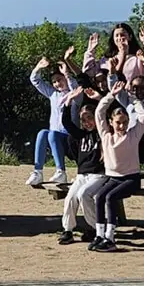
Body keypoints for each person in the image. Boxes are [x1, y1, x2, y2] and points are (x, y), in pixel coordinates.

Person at [89, 90, 144, 251]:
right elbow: (99, 112)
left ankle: (110, 238)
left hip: (131, 179)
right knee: (99, 196)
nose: (122, 126)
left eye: (125, 122)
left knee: (110, 197)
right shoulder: (106, 136)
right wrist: (111, 95)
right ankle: (100, 234)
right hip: (113, 178)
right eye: (118, 122)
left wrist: (135, 100)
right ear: (111, 122)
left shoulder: (133, 135)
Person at [59, 96, 106, 245]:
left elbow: (105, 113)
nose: (87, 122)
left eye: (90, 118)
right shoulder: (81, 135)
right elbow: (66, 122)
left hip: (99, 175)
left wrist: (99, 99)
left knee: (84, 194)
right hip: (82, 175)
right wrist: (69, 101)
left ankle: (97, 229)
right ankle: (67, 230)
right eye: (83, 120)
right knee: (70, 198)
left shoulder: (102, 133)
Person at [28, 57, 72, 187]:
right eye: (54, 82)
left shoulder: (74, 93)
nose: (57, 84)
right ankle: (38, 171)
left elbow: (75, 85)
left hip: (69, 137)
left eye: (59, 80)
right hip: (55, 136)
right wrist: (38, 67)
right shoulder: (53, 94)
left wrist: (67, 74)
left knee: (52, 134)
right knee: (43, 133)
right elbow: (35, 80)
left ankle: (61, 171)